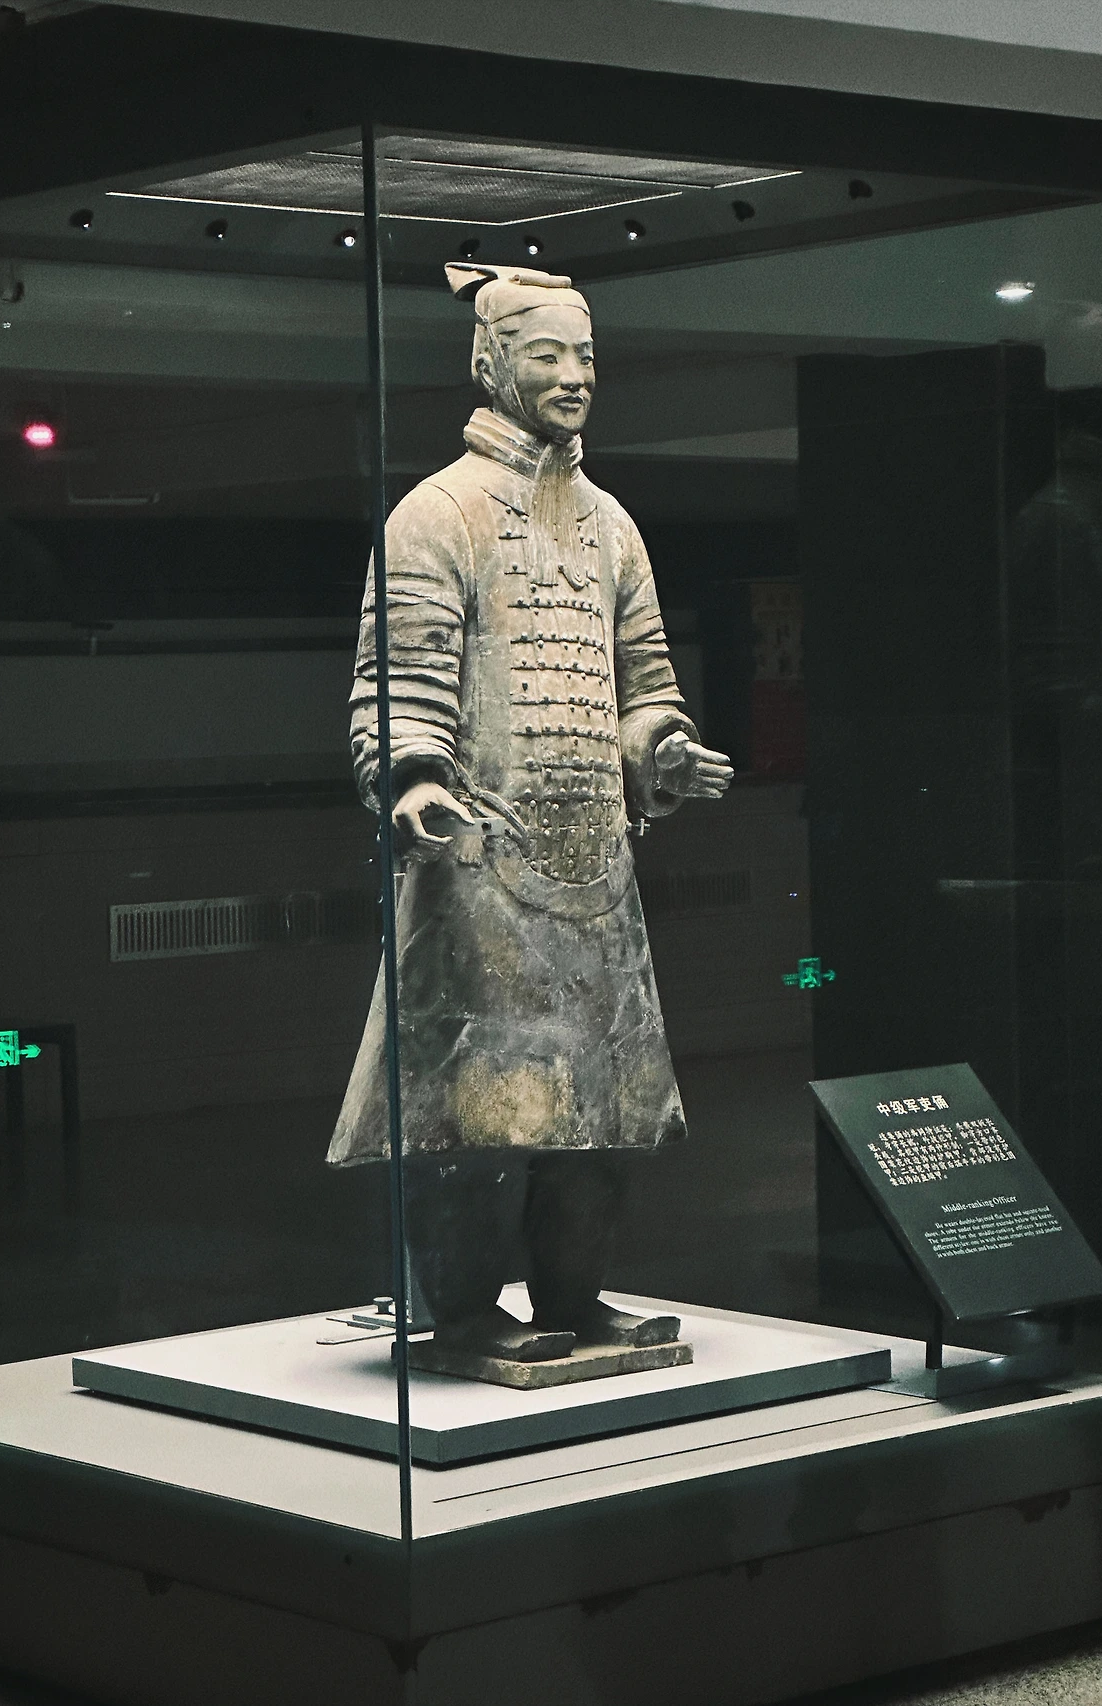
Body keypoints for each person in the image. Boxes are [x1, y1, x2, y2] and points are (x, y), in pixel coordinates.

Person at [328, 262, 733, 1365]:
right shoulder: (436, 515)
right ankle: (462, 1314)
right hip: (480, 865)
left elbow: (644, 683)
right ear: (490, 362)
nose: (572, 376)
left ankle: (573, 1298)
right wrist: (413, 780)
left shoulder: (611, 525)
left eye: (585, 356)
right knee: (479, 1112)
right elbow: (397, 682)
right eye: (547, 354)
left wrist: (662, 749)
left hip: (596, 866)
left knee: (600, 1111)